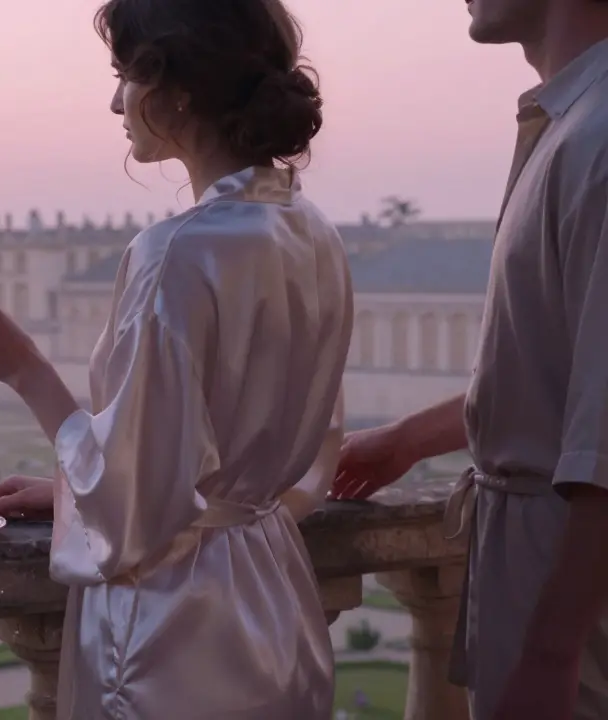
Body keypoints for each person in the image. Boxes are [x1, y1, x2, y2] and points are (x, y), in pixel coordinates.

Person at [0, 1, 352, 717]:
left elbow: (131, 512)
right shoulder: (309, 230)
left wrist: (26, 367)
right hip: (276, 600)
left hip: (174, 632)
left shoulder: (177, 252)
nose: (114, 101)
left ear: (175, 89)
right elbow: (298, 456)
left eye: (124, 74)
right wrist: (81, 482)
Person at [329, 1, 608, 717]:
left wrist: (552, 653)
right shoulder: (574, 119)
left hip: (572, 603)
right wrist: (408, 440)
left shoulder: (598, 132)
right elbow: (567, 372)